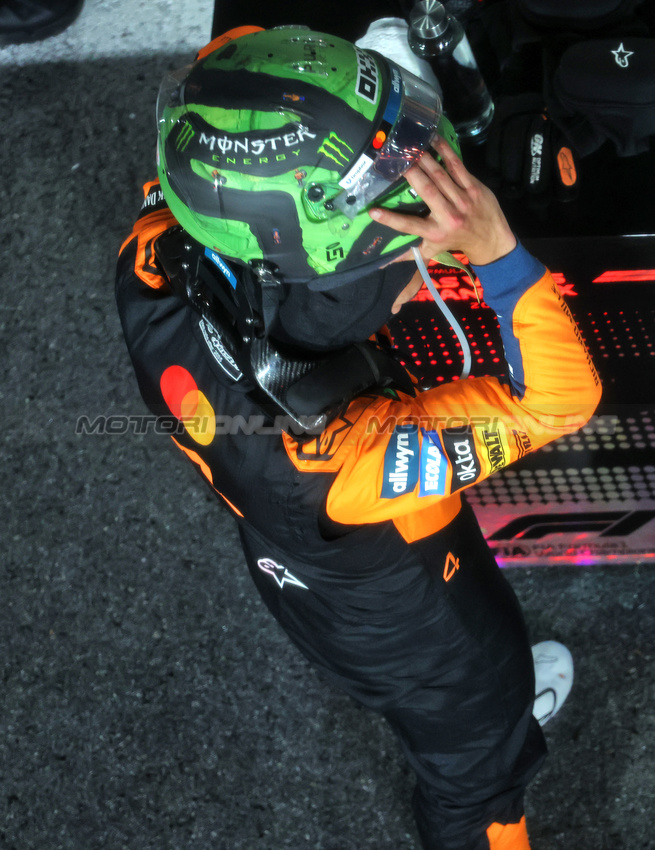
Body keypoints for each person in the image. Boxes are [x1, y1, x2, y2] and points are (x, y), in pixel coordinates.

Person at [115, 25, 600, 850]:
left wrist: (356, 109)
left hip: (307, 579)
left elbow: (237, 70)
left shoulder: (155, 250)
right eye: (410, 257)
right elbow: (559, 399)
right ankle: (494, 758)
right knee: (476, 771)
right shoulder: (344, 459)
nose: (420, 275)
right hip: (424, 632)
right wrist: (497, 254)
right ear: (338, 295)